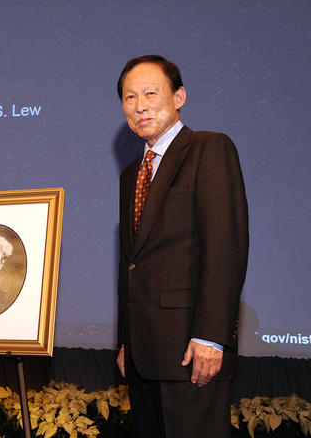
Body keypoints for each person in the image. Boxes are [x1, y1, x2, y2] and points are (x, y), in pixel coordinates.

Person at [114, 55, 248, 438]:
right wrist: (128, 341)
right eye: (129, 97)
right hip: (143, 356)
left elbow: (226, 248)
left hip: (192, 352)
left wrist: (211, 337)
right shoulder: (131, 174)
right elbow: (132, 263)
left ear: (179, 96)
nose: (140, 106)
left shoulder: (210, 149)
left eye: (151, 93)